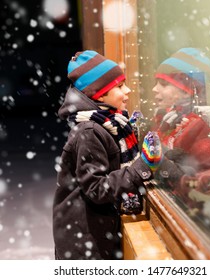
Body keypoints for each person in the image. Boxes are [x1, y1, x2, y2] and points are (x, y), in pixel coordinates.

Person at [52, 50, 162, 260]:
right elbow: (96, 189)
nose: (128, 90)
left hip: (97, 233)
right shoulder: (90, 132)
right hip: (85, 244)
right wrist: (141, 169)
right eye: (120, 86)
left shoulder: (111, 124)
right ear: (100, 94)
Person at [149, 48, 210, 196]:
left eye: (163, 83)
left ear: (186, 90)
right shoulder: (168, 121)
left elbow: (205, 191)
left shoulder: (203, 132)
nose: (154, 89)